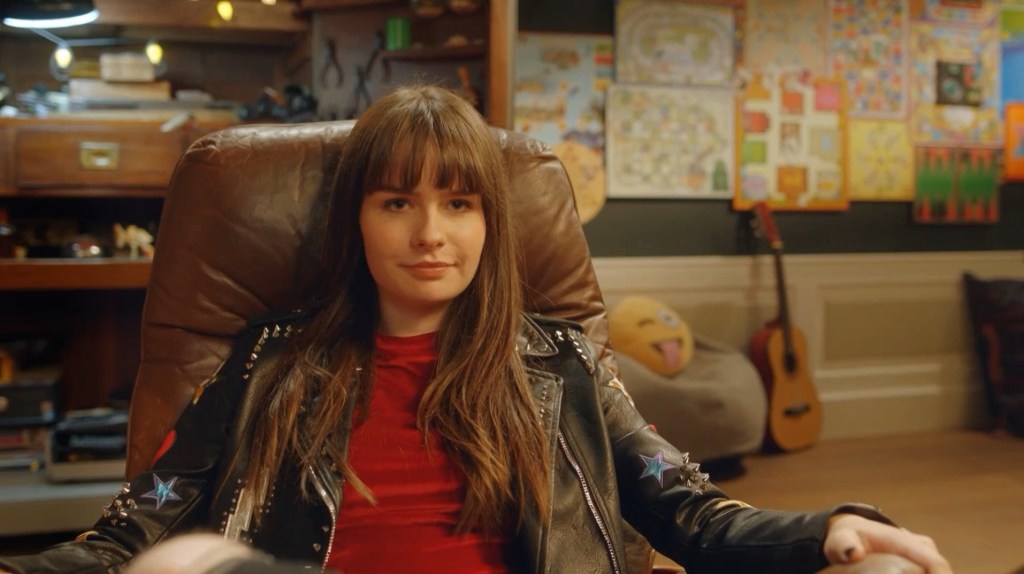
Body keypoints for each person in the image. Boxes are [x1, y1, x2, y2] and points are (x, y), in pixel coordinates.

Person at [0, 85, 951, 574]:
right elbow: (131, 534)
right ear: (356, 221)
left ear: (491, 223)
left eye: (459, 203)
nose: (430, 234)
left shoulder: (562, 364)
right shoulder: (269, 361)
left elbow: (692, 515)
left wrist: (830, 529)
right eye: (397, 202)